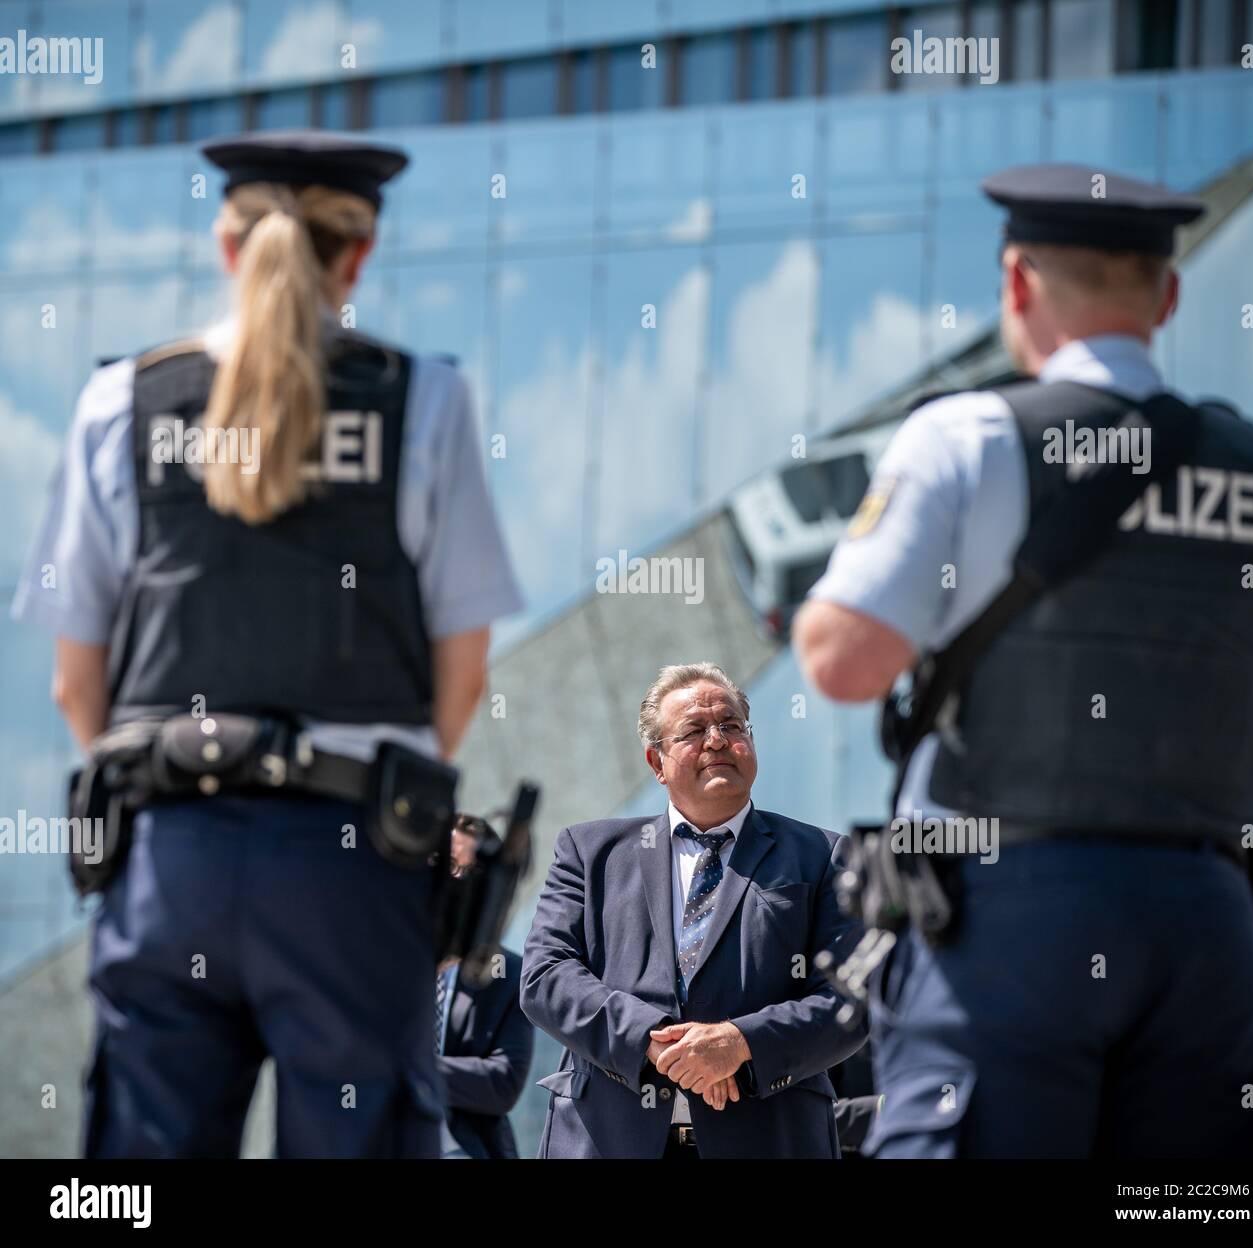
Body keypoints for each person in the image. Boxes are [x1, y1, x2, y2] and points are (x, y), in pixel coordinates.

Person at [10, 130, 523, 1158]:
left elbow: (78, 686)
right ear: (359, 254)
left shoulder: (122, 401)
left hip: (165, 856)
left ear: (227, 245)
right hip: (349, 862)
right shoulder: (422, 399)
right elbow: (459, 683)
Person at [793, 163, 1253, 1159]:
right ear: (1168, 295)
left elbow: (842, 663)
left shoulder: (966, 438)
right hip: (1206, 918)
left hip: (1006, 916)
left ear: (1016, 283)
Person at [520, 661, 866, 1159]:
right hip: (610, 1138)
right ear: (656, 763)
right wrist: (649, 1040)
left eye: (731, 726)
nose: (718, 740)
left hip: (770, 1138)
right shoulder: (589, 852)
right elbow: (545, 976)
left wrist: (741, 1042)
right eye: (694, 730)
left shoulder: (823, 856)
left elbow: (849, 1002)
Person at [433, 816, 534, 1160]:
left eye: (470, 871)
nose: (455, 879)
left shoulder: (509, 974)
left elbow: (502, 1082)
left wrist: (413, 1067)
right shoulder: (386, 959)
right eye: (446, 865)